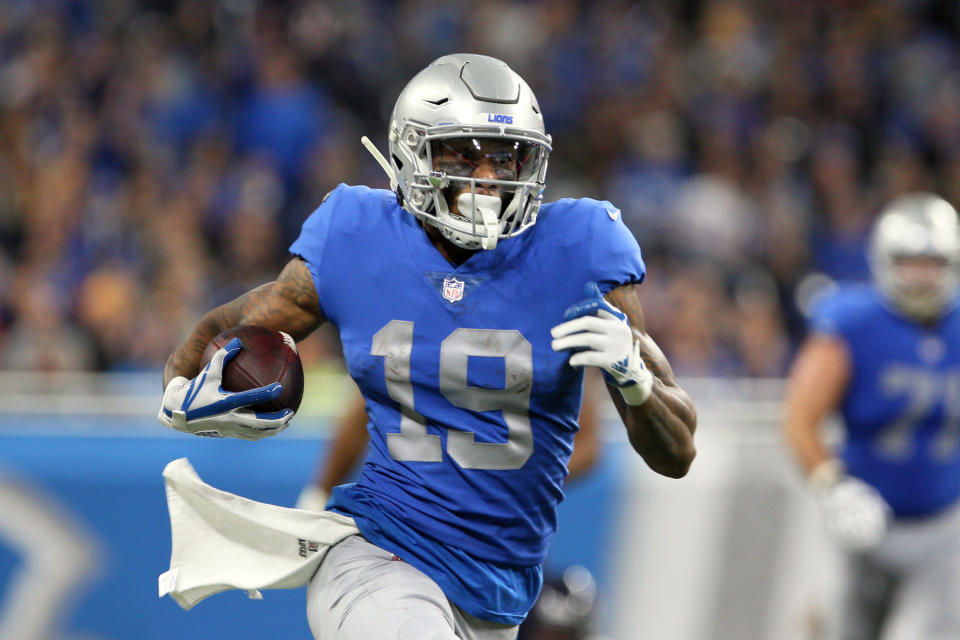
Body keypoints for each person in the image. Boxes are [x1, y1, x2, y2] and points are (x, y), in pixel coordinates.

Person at [159, 53, 697, 640]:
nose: (488, 177)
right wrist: (182, 393)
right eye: (463, 153)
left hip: (497, 595)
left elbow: (678, 454)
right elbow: (222, 333)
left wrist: (636, 383)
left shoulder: (582, 248)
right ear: (412, 154)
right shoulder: (357, 236)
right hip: (379, 556)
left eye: (504, 155)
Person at [783, 192, 960, 640]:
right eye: (909, 262)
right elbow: (799, 418)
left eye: (932, 263)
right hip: (862, 520)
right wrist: (832, 485)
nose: (920, 276)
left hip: (943, 523)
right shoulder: (853, 321)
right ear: (884, 261)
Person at [295, 371, 605, 512]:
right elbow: (365, 405)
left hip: (500, 541)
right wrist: (318, 495)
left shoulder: (544, 314)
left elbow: (587, 442)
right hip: (407, 528)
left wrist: (521, 487)